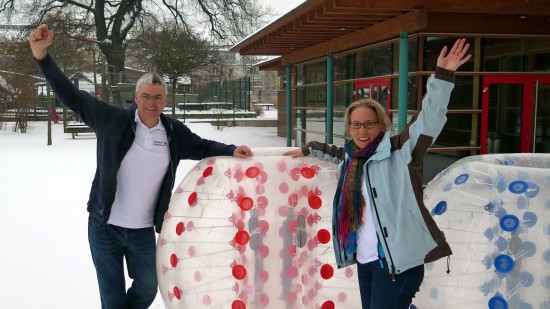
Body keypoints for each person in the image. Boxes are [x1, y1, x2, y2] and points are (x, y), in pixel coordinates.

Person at [29, 24, 253, 309]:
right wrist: (42, 57)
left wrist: (232, 150)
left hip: (142, 231)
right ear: (136, 98)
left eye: (158, 97)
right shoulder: (112, 120)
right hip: (104, 227)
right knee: (112, 300)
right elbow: (72, 96)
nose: (151, 102)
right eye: (146, 96)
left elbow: (203, 147)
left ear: (165, 101)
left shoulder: (172, 132)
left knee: (148, 287)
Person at [284, 39, 471, 308]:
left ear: (382, 125)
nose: (363, 131)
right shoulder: (351, 160)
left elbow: (430, 117)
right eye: (356, 125)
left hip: (397, 265)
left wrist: (443, 75)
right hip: (366, 260)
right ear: (349, 129)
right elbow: (334, 153)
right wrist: (308, 149)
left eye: (370, 124)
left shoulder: (401, 152)